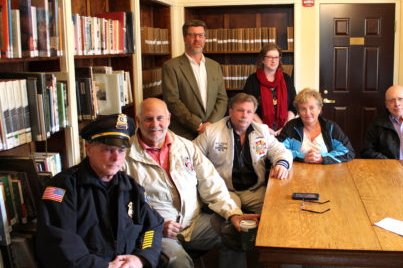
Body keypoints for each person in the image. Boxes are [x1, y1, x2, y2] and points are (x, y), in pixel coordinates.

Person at [124, 98, 259, 268]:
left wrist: (233, 214)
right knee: (179, 262)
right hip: (155, 232)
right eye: (148, 119)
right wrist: (157, 225)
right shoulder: (124, 156)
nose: (155, 124)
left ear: (169, 119)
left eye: (160, 118)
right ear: (138, 121)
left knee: (234, 234)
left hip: (193, 224)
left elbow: (212, 183)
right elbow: (124, 207)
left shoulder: (186, 147)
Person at [35, 114, 164, 268]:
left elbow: (153, 226)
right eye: (108, 150)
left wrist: (141, 258)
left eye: (121, 151)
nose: (116, 158)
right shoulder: (63, 188)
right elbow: (59, 242)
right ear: (88, 149)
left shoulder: (130, 186)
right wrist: (105, 266)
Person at [193, 93, 293, 214]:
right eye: (240, 110)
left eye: (249, 112)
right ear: (230, 111)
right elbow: (191, 154)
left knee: (277, 211)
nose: (244, 116)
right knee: (232, 219)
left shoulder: (262, 131)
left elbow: (280, 151)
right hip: (225, 191)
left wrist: (282, 164)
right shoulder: (212, 132)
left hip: (254, 191)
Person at [162, 19, 228, 140]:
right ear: (184, 38)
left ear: (205, 38)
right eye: (192, 35)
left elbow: (222, 99)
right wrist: (198, 125)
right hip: (184, 134)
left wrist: (211, 123)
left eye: (201, 35)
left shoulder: (215, 66)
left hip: (212, 133)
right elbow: (172, 101)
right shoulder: (171, 67)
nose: (197, 39)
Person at [277, 88, 355, 164]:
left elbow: (348, 152)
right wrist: (302, 156)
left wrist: (322, 158)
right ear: (298, 112)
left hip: (327, 174)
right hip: (296, 174)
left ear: (319, 109)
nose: (307, 113)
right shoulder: (290, 127)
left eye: (311, 108)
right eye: (303, 109)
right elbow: (278, 150)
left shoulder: (330, 127)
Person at [243, 43, 296, 136]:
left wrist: (285, 127)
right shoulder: (252, 80)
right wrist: (264, 128)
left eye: (276, 57)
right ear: (262, 60)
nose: (273, 61)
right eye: (270, 57)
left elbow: (294, 105)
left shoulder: (286, 79)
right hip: (259, 130)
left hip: (284, 130)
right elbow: (248, 108)